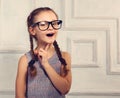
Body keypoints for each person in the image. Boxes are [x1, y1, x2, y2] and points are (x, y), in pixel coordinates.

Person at [15, 7, 72, 98]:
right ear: (32, 30)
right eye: (43, 24)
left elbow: (65, 89)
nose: (50, 28)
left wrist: (46, 64)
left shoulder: (64, 56)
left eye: (54, 23)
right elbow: (19, 95)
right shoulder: (25, 60)